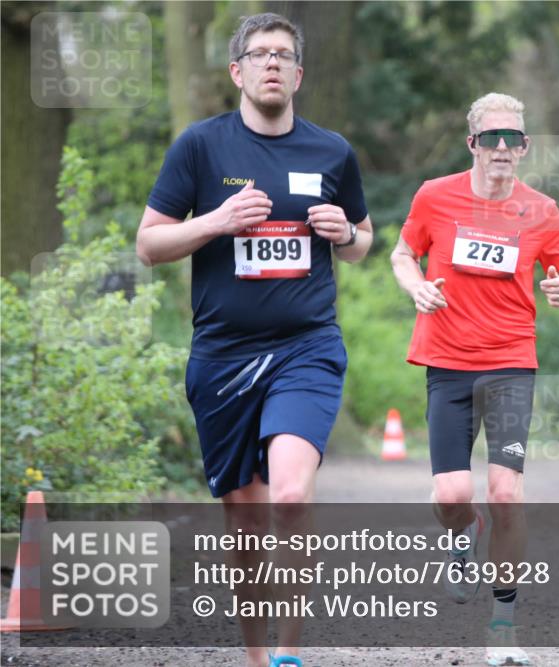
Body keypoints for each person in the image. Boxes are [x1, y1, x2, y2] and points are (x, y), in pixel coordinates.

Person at [136, 13, 372, 667]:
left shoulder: (331, 152)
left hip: (306, 347)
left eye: (285, 54)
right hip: (223, 356)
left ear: (298, 74)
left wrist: (344, 235)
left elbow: (363, 240)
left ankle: (290, 656)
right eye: (260, 54)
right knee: (246, 524)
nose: (273, 63)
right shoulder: (201, 148)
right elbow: (149, 244)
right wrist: (214, 221)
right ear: (237, 71)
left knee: (291, 494)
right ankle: (255, 655)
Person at [390, 92, 559, 666]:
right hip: (447, 361)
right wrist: (415, 285)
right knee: (453, 495)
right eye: (492, 138)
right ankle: (460, 531)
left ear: (524, 148)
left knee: (507, 492)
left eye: (514, 139)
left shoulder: (541, 209)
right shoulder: (435, 196)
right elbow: (403, 253)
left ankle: (503, 625)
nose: (503, 148)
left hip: (510, 363)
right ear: (473, 143)